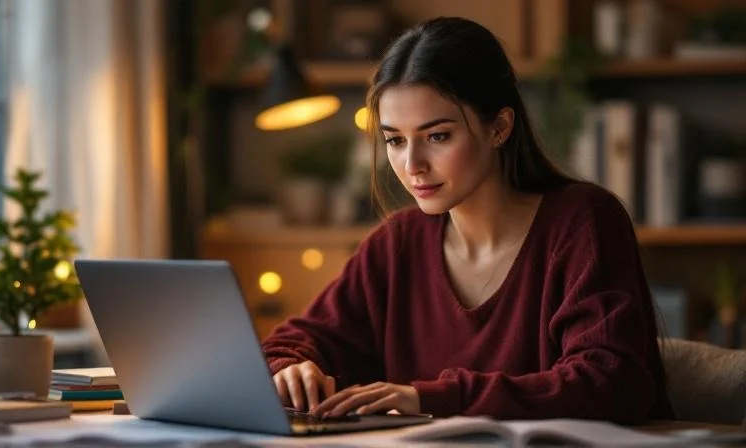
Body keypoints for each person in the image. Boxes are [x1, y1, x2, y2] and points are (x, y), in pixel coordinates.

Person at [261, 16, 674, 424]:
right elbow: (284, 346)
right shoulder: (396, 244)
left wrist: (430, 396)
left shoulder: (583, 221)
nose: (412, 165)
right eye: (395, 140)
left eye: (437, 136)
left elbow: (610, 382)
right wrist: (289, 367)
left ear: (499, 127)